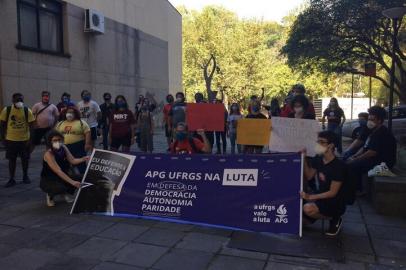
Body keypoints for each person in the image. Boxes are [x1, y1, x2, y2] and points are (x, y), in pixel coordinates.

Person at [300, 131, 347, 236]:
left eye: (322, 142)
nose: (318, 144)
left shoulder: (339, 166)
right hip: (320, 198)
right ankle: (316, 214)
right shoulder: (318, 159)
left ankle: (335, 217)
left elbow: (332, 192)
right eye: (318, 141)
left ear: (331, 145)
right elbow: (309, 176)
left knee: (307, 209)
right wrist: (303, 157)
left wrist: (311, 197)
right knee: (299, 222)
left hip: (334, 202)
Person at [347, 106, 397, 193]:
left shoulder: (382, 133)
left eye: (372, 120)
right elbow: (365, 147)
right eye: (369, 119)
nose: (369, 122)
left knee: (353, 166)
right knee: (350, 162)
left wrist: (356, 159)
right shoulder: (373, 131)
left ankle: (359, 190)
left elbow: (372, 152)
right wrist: (354, 156)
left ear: (380, 121)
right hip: (375, 160)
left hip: (384, 165)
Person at [40, 130, 87, 207]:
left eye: (59, 140)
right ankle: (50, 195)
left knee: (82, 177)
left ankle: (65, 193)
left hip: (63, 176)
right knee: (60, 188)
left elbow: (73, 160)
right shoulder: (48, 154)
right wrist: (73, 182)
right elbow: (58, 171)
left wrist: (83, 159)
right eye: (54, 140)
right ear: (49, 142)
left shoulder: (63, 148)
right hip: (49, 179)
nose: (57, 142)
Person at [0, 93, 35, 187]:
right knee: (12, 160)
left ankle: (25, 176)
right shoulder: (6, 110)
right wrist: (3, 139)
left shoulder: (27, 110)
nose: (19, 102)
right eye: (17, 100)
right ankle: (11, 179)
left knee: (25, 159)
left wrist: (31, 140)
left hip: (24, 140)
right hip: (11, 140)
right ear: (13, 100)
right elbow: (2, 125)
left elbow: (32, 126)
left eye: (21, 100)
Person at [56, 106, 91, 174]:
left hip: (78, 147)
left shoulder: (81, 123)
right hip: (64, 147)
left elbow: (88, 133)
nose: (69, 114)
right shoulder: (60, 123)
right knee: (64, 165)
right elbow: (56, 136)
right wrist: (56, 147)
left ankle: (81, 178)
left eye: (72, 112)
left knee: (80, 165)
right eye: (68, 112)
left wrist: (87, 145)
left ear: (76, 113)